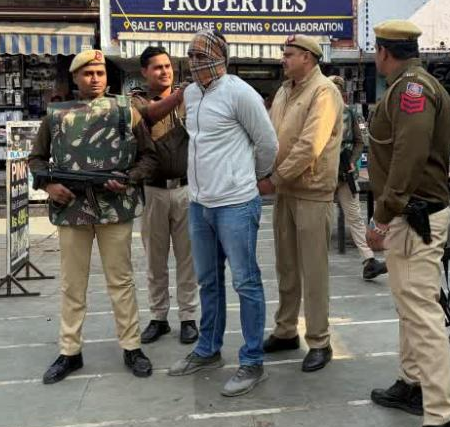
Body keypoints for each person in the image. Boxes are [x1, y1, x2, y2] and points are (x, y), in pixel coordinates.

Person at [28, 50, 158, 384]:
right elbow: (36, 159)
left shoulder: (126, 110)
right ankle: (70, 351)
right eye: (88, 73)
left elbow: (148, 157)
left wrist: (128, 179)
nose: (95, 79)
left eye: (100, 72)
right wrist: (49, 185)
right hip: (72, 208)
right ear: (75, 78)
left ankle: (131, 347)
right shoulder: (56, 115)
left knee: (121, 281)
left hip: (114, 207)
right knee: (73, 283)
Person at [365, 20, 450, 427]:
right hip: (410, 214)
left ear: (384, 52)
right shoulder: (407, 85)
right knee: (409, 307)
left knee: (422, 316)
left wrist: (381, 217)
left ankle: (442, 418)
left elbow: (408, 157)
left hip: (414, 216)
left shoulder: (412, 90)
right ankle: (413, 384)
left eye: (376, 51)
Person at [169, 30, 278, 397]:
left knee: (245, 282)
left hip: (236, 203)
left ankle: (253, 361)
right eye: (190, 55)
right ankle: (208, 350)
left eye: (201, 56)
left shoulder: (240, 93)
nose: (194, 62)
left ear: (221, 58)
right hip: (200, 205)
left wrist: (252, 178)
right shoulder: (190, 94)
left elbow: (268, 143)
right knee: (208, 281)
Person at [259, 34, 343, 373]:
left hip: (311, 192)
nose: (284, 59)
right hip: (286, 192)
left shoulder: (324, 92)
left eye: (289, 54)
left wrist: (274, 178)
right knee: (287, 267)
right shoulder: (284, 91)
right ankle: (286, 330)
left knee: (313, 271)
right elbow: (270, 137)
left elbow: (310, 145)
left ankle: (320, 340)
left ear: (308, 57)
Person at [131, 46, 199, 346]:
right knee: (155, 261)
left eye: (168, 66)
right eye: (157, 67)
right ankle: (158, 318)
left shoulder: (189, 99)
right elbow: (149, 115)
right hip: (153, 191)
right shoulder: (137, 101)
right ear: (144, 72)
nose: (165, 71)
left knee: (188, 259)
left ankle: (188, 318)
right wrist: (181, 95)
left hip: (185, 189)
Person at [328, 75, 387, 281]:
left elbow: (362, 140)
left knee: (354, 216)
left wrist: (352, 161)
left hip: (346, 172)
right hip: (323, 174)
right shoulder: (316, 113)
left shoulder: (352, 113)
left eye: (337, 90)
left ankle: (369, 260)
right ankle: (313, 258)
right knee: (320, 218)